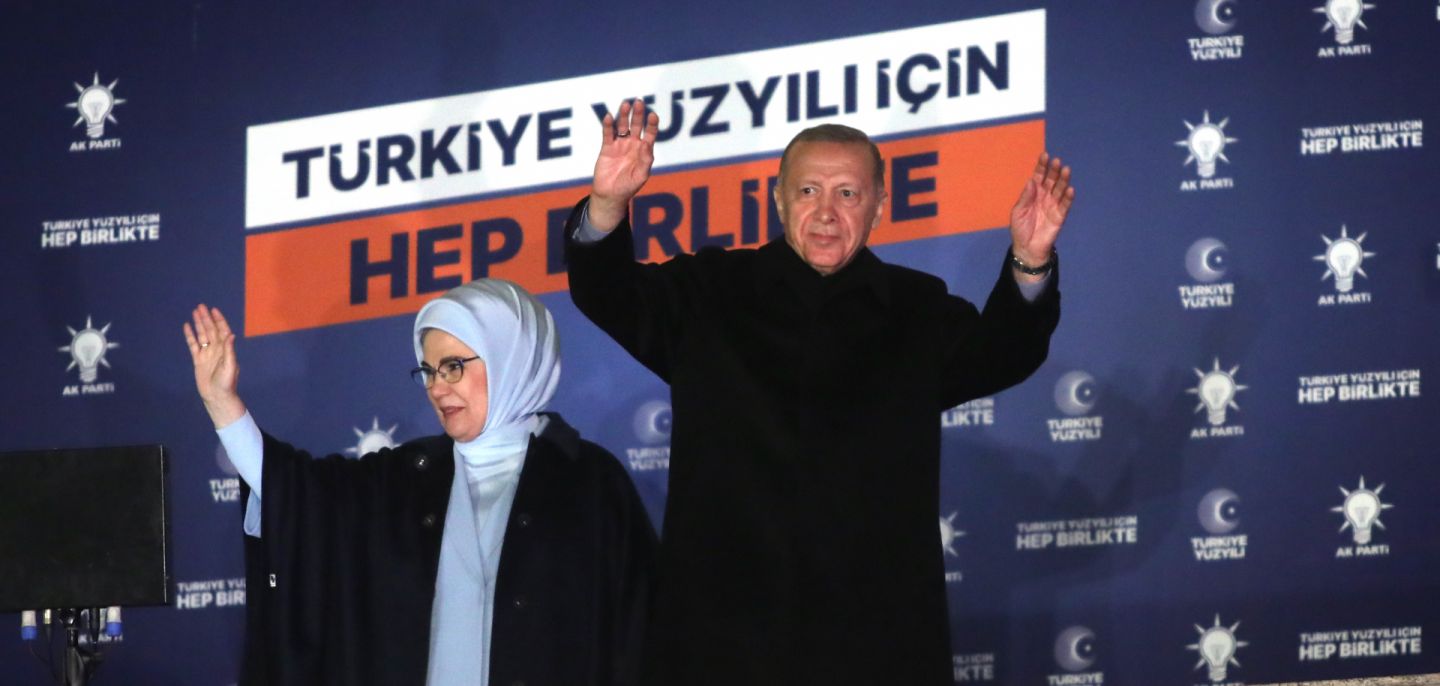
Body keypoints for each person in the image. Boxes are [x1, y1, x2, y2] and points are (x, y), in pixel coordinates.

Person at [564, 99, 1073, 685]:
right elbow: (607, 292)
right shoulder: (709, 295)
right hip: (721, 644)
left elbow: (1003, 353)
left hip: (876, 647)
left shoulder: (916, 311)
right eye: (808, 191)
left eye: (848, 194)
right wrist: (608, 205)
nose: (826, 212)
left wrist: (1030, 262)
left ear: (881, 207)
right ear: (778, 200)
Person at [183, 279, 656, 686]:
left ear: (511, 357)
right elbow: (298, 493)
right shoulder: (404, 478)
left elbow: (642, 639)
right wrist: (222, 402)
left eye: (453, 366)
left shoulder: (589, 482)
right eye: (428, 371)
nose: (436, 387)